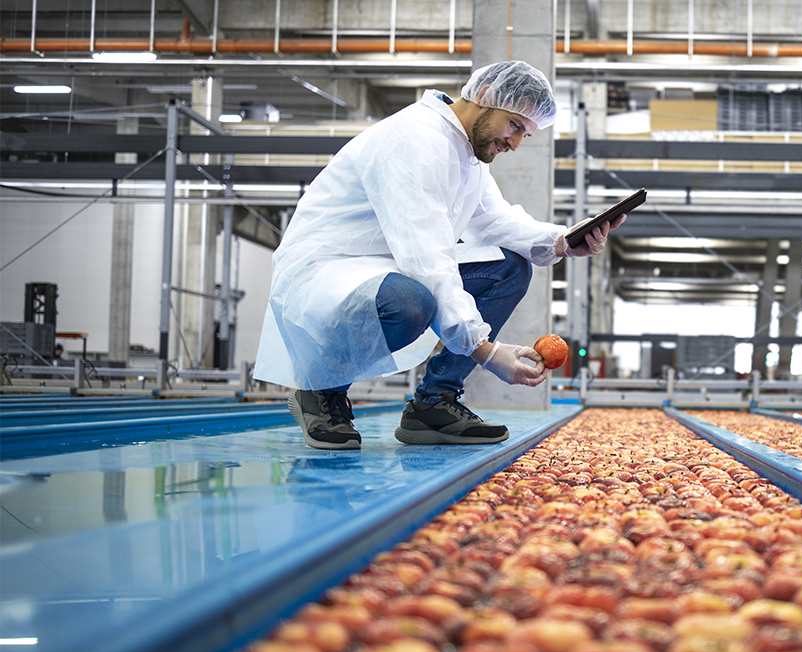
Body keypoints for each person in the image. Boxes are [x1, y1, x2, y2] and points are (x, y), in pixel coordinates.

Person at [253, 60, 622, 450]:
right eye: (514, 126)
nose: (514, 143)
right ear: (485, 98)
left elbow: (494, 220)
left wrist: (563, 241)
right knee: (410, 302)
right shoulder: (415, 140)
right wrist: (487, 351)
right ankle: (320, 386)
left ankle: (433, 403)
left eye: (525, 135)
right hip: (330, 272)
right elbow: (426, 256)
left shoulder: (464, 151)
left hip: (389, 267)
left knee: (509, 267)